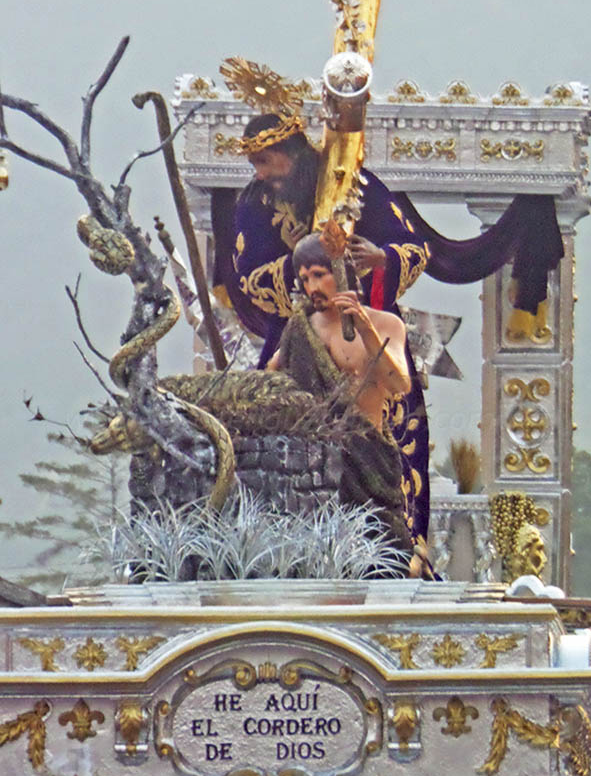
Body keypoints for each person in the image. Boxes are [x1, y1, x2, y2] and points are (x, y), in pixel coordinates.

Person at [211, 112, 565, 553]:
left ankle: (397, 554)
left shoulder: (356, 185)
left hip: (367, 334)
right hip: (295, 333)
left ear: (292, 152)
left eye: (265, 161)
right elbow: (249, 280)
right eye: (255, 165)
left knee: (393, 456)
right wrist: (306, 266)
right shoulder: (254, 203)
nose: (260, 174)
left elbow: (413, 247)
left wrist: (382, 259)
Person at [268, 232, 411, 434]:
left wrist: (366, 331)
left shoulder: (386, 324)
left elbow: (400, 385)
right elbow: (269, 382)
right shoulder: (301, 327)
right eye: (305, 279)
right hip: (308, 446)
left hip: (366, 447)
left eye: (318, 275)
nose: (312, 288)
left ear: (342, 272)